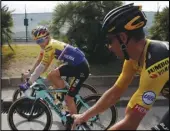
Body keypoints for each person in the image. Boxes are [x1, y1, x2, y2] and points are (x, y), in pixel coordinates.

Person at [72, 3, 169, 130]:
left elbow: (130, 124)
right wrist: (84, 116)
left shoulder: (156, 61)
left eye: (109, 41)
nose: (109, 47)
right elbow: (115, 93)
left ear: (123, 38)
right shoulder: (134, 57)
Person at [19, 26, 90, 127]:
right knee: (51, 75)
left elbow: (43, 66)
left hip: (81, 69)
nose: (40, 43)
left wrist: (29, 82)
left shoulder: (50, 46)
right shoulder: (46, 46)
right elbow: (39, 61)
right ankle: (63, 94)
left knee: (69, 98)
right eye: (37, 41)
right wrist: (30, 73)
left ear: (47, 37)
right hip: (74, 64)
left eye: (41, 40)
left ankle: (75, 124)